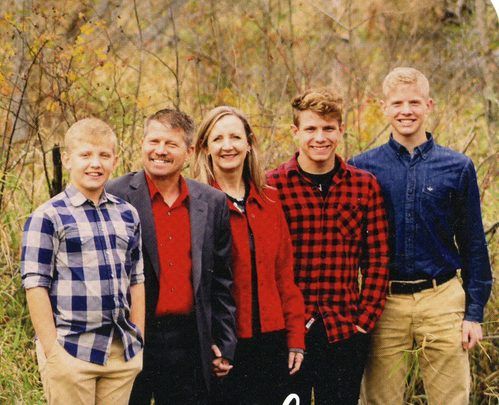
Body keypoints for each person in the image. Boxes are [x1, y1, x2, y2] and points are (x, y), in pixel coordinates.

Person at [350, 67, 493, 405]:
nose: (406, 111)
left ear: (429, 105)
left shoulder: (457, 167)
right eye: (397, 103)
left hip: (442, 298)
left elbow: (473, 243)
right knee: (379, 399)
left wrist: (474, 313)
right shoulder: (363, 167)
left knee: (451, 399)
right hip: (384, 302)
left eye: (414, 102)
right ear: (384, 108)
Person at [266, 88, 390, 405]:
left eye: (328, 128)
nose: (320, 138)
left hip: (344, 330)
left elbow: (377, 260)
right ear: (295, 131)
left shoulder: (364, 186)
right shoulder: (273, 186)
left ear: (340, 130)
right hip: (290, 332)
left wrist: (363, 321)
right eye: (310, 129)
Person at [106, 108, 237, 404]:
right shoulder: (115, 194)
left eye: (171, 144)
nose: (160, 151)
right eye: (154, 141)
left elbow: (222, 282)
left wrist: (224, 343)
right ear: (142, 144)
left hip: (188, 341)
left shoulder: (212, 202)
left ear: (189, 152)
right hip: (131, 337)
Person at [21, 118, 145, 404]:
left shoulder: (127, 214)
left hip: (120, 353)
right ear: (67, 159)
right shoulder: (48, 216)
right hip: (71, 351)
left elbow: (136, 279)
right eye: (85, 155)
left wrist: (138, 338)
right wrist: (53, 352)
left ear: (115, 160)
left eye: (104, 155)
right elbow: (35, 285)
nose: (95, 164)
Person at [192, 106, 306, 404]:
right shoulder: (197, 205)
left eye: (235, 137)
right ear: (205, 148)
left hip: (273, 341)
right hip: (225, 347)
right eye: (217, 139)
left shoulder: (270, 200)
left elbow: (285, 276)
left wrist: (295, 338)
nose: (227, 146)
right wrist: (210, 344)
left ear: (249, 143)